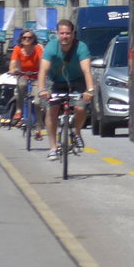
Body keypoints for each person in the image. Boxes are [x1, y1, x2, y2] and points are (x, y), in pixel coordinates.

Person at [38, 19, 95, 161]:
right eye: (62, 33)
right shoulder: (51, 47)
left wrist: (90, 90)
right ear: (57, 34)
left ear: (73, 34)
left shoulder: (81, 47)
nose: (65, 36)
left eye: (68, 33)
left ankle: (77, 133)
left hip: (77, 81)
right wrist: (42, 89)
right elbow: (43, 70)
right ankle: (53, 148)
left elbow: (87, 70)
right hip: (55, 81)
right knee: (52, 110)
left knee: (80, 108)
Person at [9, 30, 44, 139]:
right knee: (21, 84)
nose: (27, 39)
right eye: (24, 37)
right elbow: (13, 63)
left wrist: (44, 70)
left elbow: (43, 62)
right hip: (23, 75)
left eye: (29, 37)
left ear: (33, 39)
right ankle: (19, 110)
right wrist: (13, 70)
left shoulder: (38, 48)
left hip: (36, 77)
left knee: (38, 103)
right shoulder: (17, 49)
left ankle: (38, 129)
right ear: (21, 39)